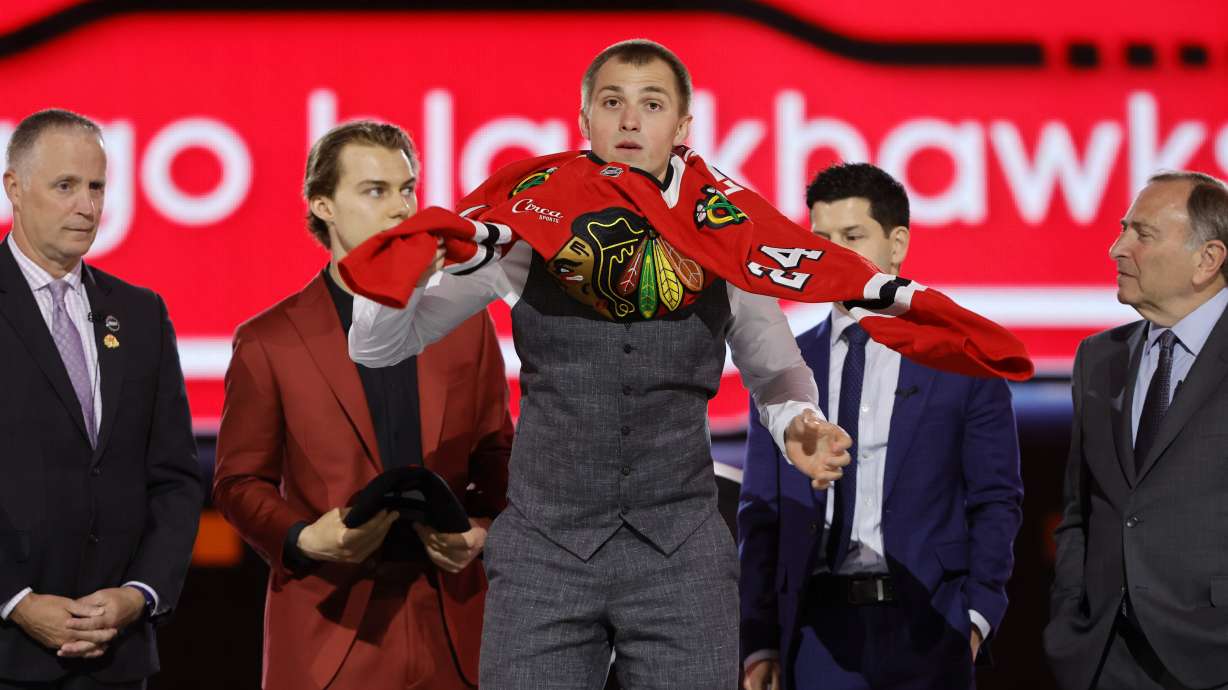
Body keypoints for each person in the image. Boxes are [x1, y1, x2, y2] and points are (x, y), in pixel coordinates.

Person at [346, 40, 854, 689]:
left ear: (684, 126)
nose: (631, 121)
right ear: (585, 120)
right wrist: (400, 274)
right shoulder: (526, 223)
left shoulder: (730, 232)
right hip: (544, 552)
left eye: (652, 104)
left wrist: (799, 426)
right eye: (612, 103)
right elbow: (380, 347)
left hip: (681, 553)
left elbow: (773, 369)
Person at [212, 121, 512, 690]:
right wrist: (301, 537)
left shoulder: (465, 324)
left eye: (407, 189)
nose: (400, 209)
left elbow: (498, 454)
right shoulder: (268, 340)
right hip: (331, 628)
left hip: (455, 629)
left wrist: (485, 528)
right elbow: (238, 482)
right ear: (322, 205)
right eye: (375, 191)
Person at [738, 163, 1023, 690]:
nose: (833, 254)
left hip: (931, 628)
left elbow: (996, 500)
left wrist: (977, 616)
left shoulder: (962, 361)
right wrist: (758, 637)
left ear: (897, 245)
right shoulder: (784, 364)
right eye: (819, 239)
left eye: (852, 237)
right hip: (815, 633)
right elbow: (762, 514)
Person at [0, 109, 202, 689]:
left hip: (115, 657)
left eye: (96, 187)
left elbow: (176, 477)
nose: (87, 206)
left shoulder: (140, 313)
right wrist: (15, 600)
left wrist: (139, 593)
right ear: (14, 187)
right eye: (66, 186)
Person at [1045, 171, 1228, 690]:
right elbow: (1080, 512)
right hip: (1105, 656)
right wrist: (1070, 620)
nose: (1116, 248)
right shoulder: (1098, 358)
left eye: (1142, 234)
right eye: (1123, 229)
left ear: (1207, 260)